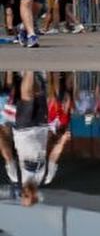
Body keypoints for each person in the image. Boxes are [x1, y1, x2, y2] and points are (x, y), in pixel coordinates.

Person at [0, 71, 72, 206]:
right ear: (34, 196)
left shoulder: (15, 176)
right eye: (26, 195)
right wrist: (62, 141)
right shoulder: (46, 177)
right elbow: (53, 156)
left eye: (22, 195)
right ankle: (33, 73)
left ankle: (29, 69)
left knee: (27, 97)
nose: (23, 192)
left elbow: (7, 153)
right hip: (41, 127)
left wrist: (1, 136)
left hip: (22, 129)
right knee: (39, 93)